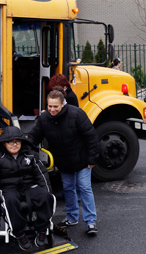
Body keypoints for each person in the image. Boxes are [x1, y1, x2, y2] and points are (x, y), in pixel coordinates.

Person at [28, 90, 100, 235]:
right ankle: (72, 217)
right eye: (49, 106)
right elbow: (33, 138)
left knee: (84, 188)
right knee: (68, 188)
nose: (52, 110)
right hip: (64, 161)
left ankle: (90, 222)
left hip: (82, 159)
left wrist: (92, 159)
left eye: (55, 106)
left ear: (63, 104)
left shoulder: (77, 114)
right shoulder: (44, 119)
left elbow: (91, 137)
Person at [0, 126, 54, 251]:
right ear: (4, 143)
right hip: (9, 188)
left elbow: (42, 175)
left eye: (18, 141)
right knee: (10, 200)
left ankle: (42, 229)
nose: (15, 144)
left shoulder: (31, 155)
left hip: (28, 186)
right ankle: (19, 233)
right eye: (11, 142)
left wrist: (48, 194)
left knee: (46, 196)